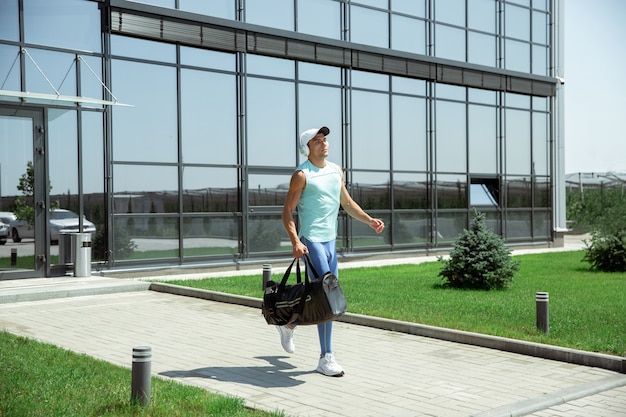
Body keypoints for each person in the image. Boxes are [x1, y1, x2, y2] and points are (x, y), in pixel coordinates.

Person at [280, 126, 385, 377]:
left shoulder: (336, 170)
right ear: (307, 148)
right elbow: (287, 211)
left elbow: (346, 203)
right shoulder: (301, 175)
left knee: (319, 296)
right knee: (328, 297)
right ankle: (326, 357)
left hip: (330, 242)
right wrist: (296, 241)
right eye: (317, 141)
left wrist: (369, 220)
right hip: (312, 240)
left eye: (324, 139)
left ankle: (290, 323)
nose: (323, 143)